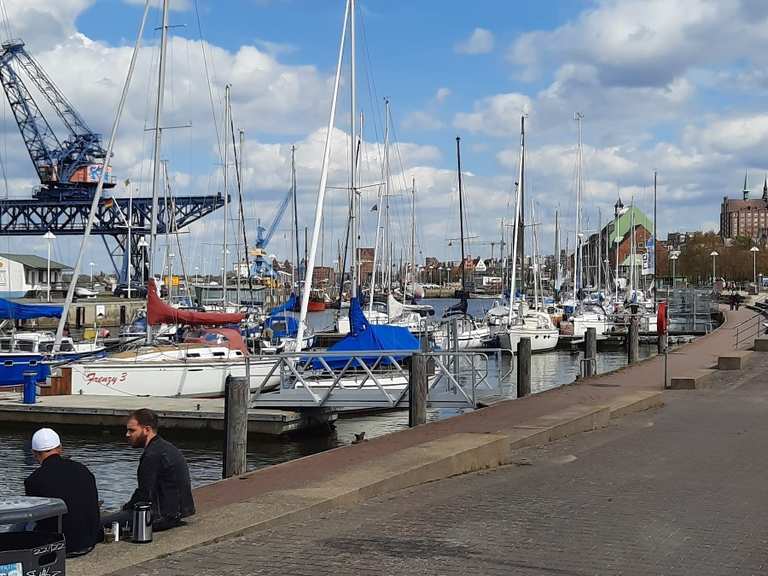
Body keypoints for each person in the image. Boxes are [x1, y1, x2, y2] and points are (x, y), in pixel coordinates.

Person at [104, 409, 195, 532]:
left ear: (147, 430)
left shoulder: (152, 455)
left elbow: (144, 493)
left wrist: (126, 508)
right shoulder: (165, 447)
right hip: (179, 511)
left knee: (99, 524)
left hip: (161, 516)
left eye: (132, 430)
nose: (127, 434)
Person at [24, 428, 101, 558]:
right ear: (60, 448)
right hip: (89, 541)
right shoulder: (83, 469)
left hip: (60, 546)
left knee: (20, 523)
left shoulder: (33, 480)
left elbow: (37, 518)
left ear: (34, 453)